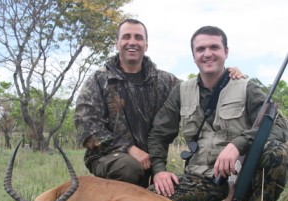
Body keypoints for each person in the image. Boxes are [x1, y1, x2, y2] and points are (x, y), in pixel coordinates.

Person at [147, 26, 288, 201]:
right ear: (193, 56)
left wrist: (239, 144)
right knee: (152, 199)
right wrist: (159, 170)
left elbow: (279, 125)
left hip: (243, 178)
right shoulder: (181, 91)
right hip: (202, 179)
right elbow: (158, 134)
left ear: (226, 52)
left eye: (214, 47)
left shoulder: (246, 87)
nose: (208, 54)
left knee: (277, 152)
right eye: (201, 49)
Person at [74, 19, 244, 188]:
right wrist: (129, 149)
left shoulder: (165, 81)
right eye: (126, 37)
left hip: (150, 159)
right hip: (110, 156)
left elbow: (198, 91)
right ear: (117, 44)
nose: (132, 42)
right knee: (128, 168)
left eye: (138, 38)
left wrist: (225, 76)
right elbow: (88, 130)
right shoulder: (97, 80)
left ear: (146, 45)